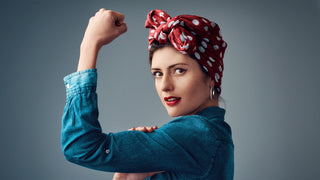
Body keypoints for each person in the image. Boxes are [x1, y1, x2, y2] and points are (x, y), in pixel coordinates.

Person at [61, 8, 234, 180]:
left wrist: (89, 44)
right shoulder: (213, 135)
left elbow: (80, 146)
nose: (165, 86)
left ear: (211, 76)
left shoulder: (199, 134)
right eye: (158, 73)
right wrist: (125, 178)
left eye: (179, 70)